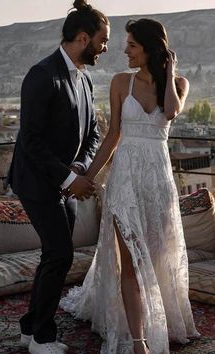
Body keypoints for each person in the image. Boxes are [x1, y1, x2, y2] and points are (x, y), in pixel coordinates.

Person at [60, 18, 200, 354]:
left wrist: (169, 68)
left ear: (152, 49)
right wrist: (86, 178)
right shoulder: (121, 82)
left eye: (132, 45)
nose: (125, 50)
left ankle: (156, 321)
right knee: (130, 262)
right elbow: (112, 138)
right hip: (125, 181)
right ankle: (138, 341)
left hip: (159, 184)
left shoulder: (178, 84)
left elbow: (170, 110)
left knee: (156, 257)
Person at [6, 1, 110, 353]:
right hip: (36, 182)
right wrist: (69, 180)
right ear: (83, 38)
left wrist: (80, 168)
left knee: (55, 255)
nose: (105, 47)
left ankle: (28, 328)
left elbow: (93, 134)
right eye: (102, 40)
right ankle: (41, 337)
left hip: (63, 182)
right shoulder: (42, 73)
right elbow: (30, 140)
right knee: (60, 253)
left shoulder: (84, 78)